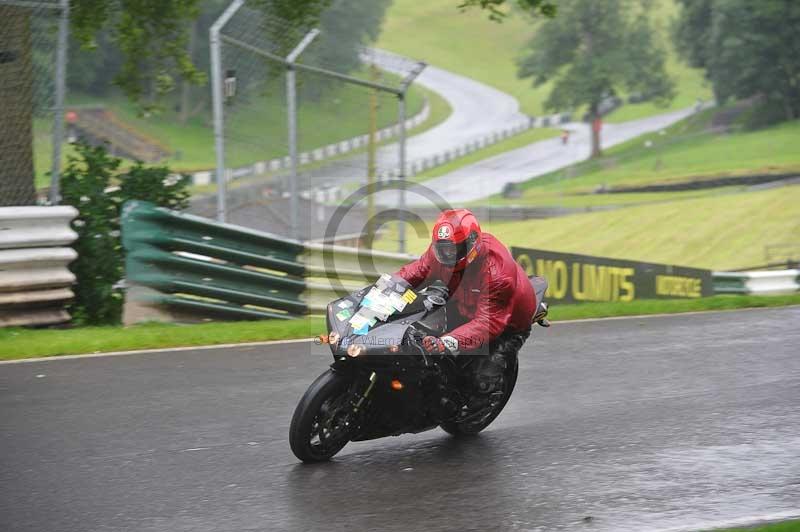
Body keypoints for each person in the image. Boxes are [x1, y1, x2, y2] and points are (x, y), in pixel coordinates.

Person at [394, 208, 537, 400]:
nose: (447, 255)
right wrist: (384, 288)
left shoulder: (498, 275)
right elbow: (416, 271)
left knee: (480, 380)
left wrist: (446, 342)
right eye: (442, 248)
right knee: (420, 329)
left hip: (505, 323)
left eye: (454, 250)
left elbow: (487, 325)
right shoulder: (440, 251)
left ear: (472, 243)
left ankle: (477, 401)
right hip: (464, 302)